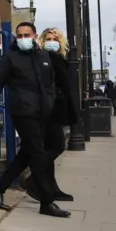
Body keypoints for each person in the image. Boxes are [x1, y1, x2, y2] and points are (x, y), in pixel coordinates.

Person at [0, 22, 70, 218]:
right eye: (19, 35)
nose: (22, 39)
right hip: (23, 112)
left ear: (34, 36)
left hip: (44, 113)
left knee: (27, 154)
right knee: (37, 154)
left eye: (26, 35)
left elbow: (51, 85)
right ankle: (47, 202)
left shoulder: (43, 56)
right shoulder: (10, 57)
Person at [22, 27, 78, 203]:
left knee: (49, 148)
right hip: (48, 110)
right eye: (48, 39)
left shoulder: (57, 58)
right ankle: (33, 180)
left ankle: (52, 189)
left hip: (55, 109)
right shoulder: (44, 59)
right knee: (58, 146)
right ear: (42, 41)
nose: (51, 42)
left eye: (55, 39)